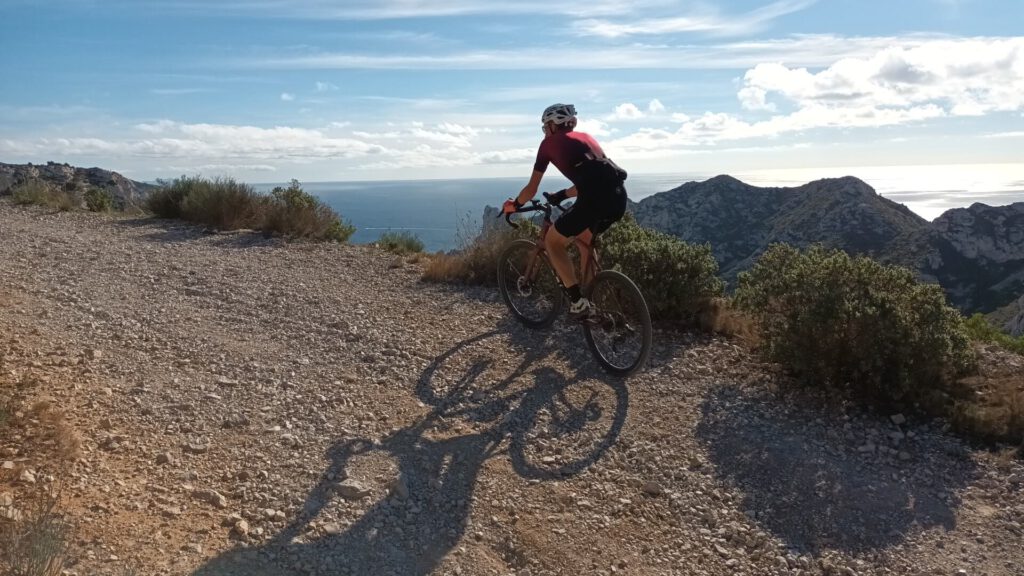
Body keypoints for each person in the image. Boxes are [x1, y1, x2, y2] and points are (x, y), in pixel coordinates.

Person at [502, 103, 628, 319]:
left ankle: (578, 302)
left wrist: (516, 205)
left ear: (552, 125)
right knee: (585, 241)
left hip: (593, 199)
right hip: (618, 198)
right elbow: (596, 177)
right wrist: (562, 195)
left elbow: (531, 189)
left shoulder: (548, 144)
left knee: (553, 242)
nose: (544, 131)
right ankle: (591, 300)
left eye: (545, 126)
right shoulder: (587, 138)